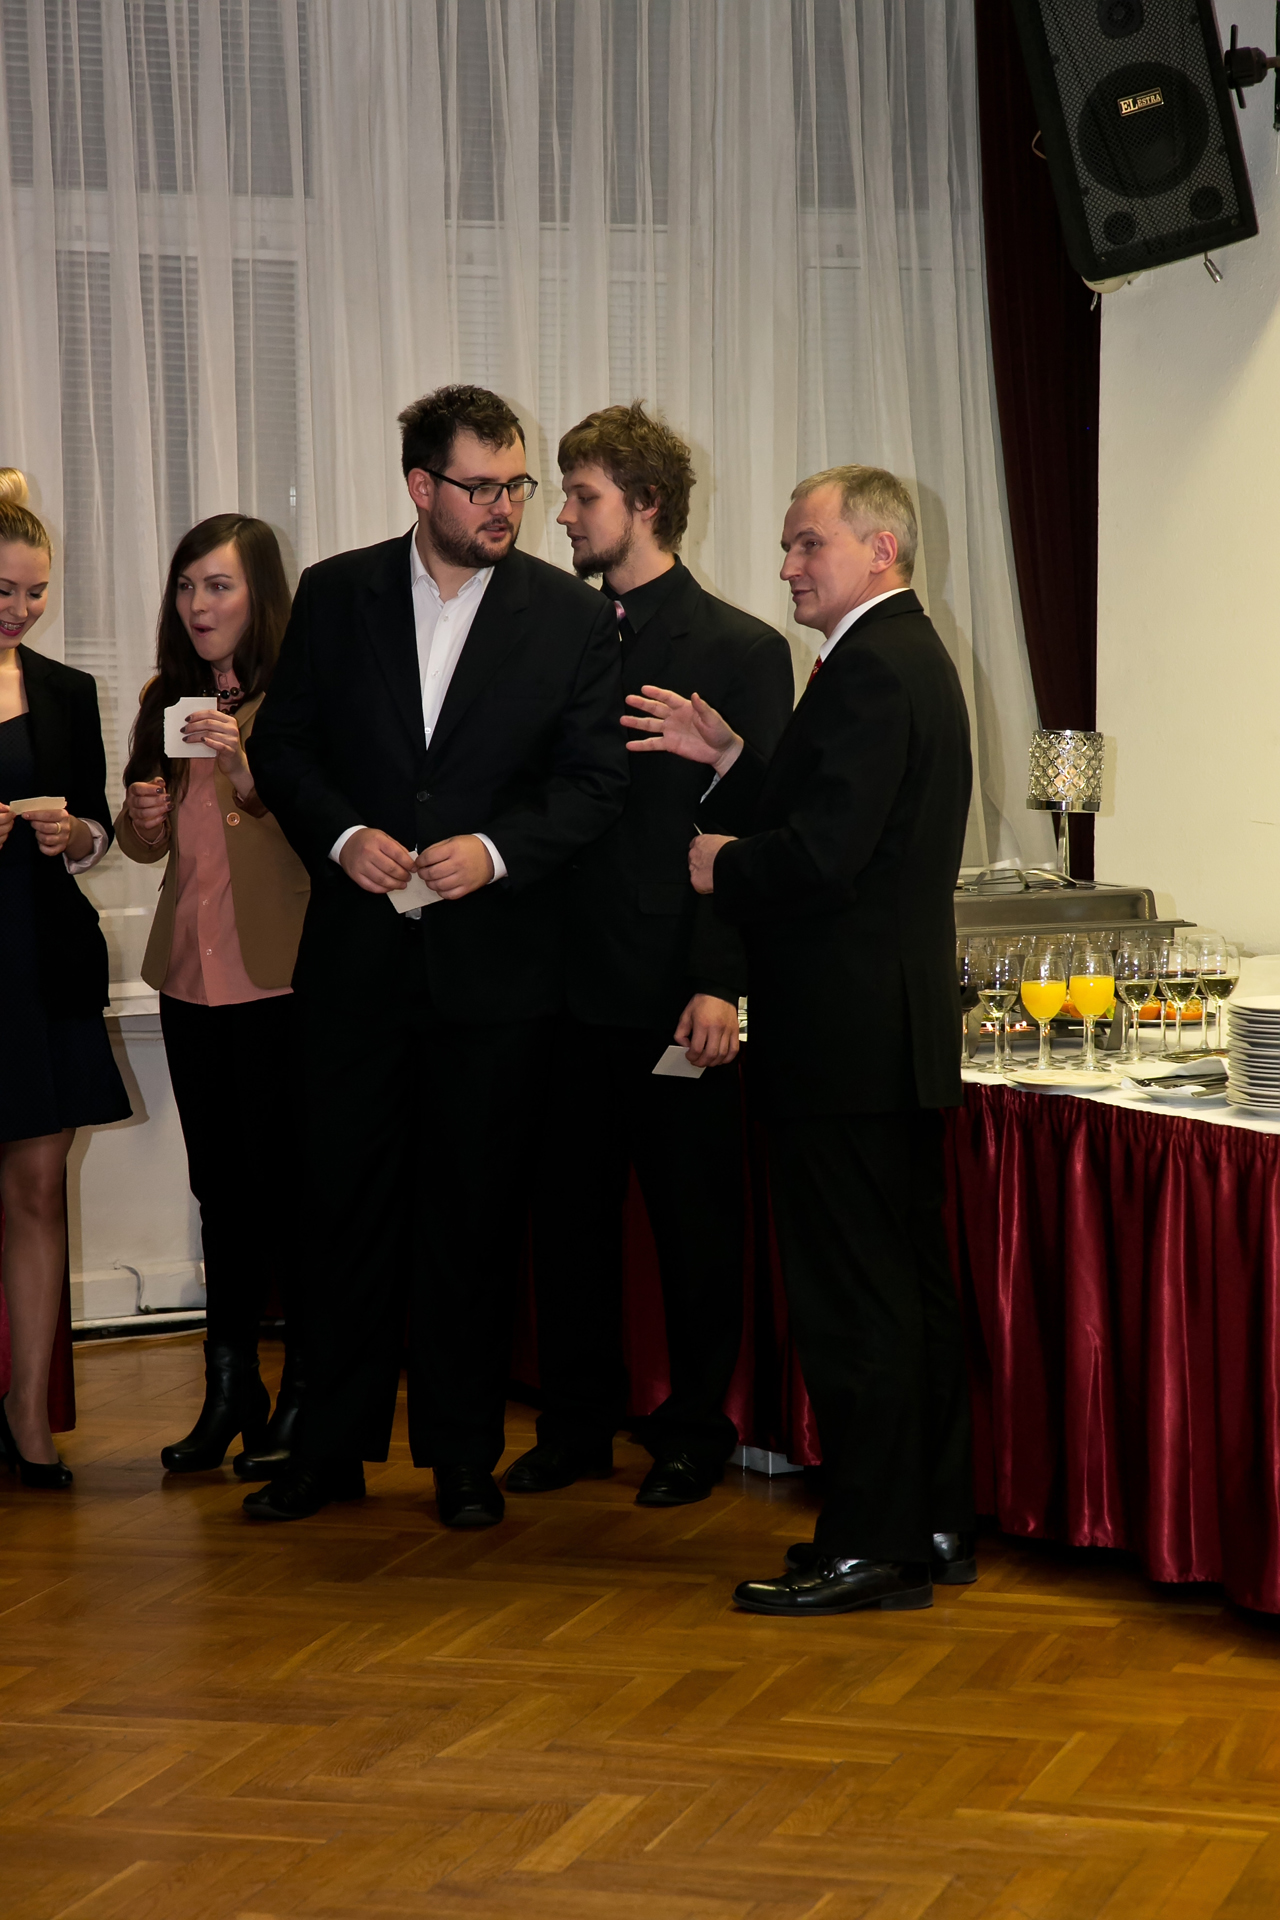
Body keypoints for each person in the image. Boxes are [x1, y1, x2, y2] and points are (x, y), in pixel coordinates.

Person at [243, 383, 629, 1529]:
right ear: (421, 486)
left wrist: (495, 851)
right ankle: (328, 1449)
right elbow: (287, 750)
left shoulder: (567, 617)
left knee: (473, 1218)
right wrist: (344, 837)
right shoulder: (336, 593)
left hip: (497, 973)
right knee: (340, 1211)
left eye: (515, 485)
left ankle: (461, 1455)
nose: (505, 506)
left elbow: (594, 783)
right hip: (355, 964)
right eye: (480, 486)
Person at [623, 464, 976, 1615]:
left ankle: (871, 1544)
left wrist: (721, 861)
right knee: (904, 1291)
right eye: (786, 546)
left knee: (856, 1301)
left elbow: (824, 858)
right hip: (882, 1036)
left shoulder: (870, 667)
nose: (785, 566)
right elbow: (839, 814)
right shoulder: (899, 655)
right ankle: (928, 1520)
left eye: (805, 544)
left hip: (842, 1041)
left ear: (878, 548)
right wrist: (736, 761)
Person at [509, 403, 794, 1506]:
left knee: (694, 1226)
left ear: (646, 504)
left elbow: (753, 829)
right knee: (567, 1222)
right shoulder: (547, 633)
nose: (562, 517)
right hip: (556, 986)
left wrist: (720, 981)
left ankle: (693, 1431)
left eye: (582, 497)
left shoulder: (741, 649)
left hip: (677, 986)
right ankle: (576, 1424)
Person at [116, 515, 310, 1480]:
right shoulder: (167, 697)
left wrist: (244, 768)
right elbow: (147, 843)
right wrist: (141, 812)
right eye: (188, 586)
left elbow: (323, 829)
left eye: (219, 585)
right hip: (191, 981)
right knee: (219, 1193)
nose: (199, 604)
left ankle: (307, 1393)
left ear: (260, 595)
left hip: (278, 980)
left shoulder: (301, 697)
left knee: (290, 1194)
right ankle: (231, 1388)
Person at [0, 489, 131, 1488]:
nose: (22, 609)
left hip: (42, 960)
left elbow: (98, 831)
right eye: (4, 590)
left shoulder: (68, 689)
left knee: (39, 1189)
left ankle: (28, 1416)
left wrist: (75, 833)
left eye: (36, 591)